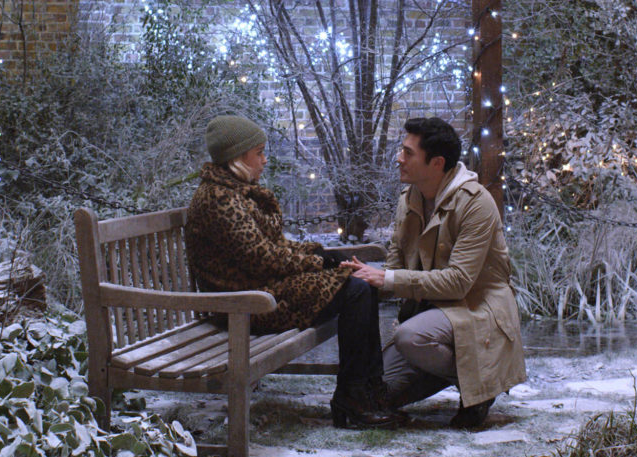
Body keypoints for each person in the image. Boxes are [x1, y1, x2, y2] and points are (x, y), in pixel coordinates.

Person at [184, 115, 403, 429]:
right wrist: (318, 261)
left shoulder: (236, 192)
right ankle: (354, 399)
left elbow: (271, 247)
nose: (264, 159)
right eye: (258, 152)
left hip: (264, 290)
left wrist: (316, 252)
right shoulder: (220, 200)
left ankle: (367, 393)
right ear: (237, 157)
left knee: (359, 284)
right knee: (355, 289)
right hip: (245, 304)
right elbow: (262, 257)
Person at [342, 117, 526, 429]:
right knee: (380, 394)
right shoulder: (409, 199)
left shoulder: (476, 203)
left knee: (410, 337)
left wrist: (387, 279)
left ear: (436, 162)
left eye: (407, 152)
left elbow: (458, 283)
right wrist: (359, 276)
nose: (399, 158)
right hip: (431, 312)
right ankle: (462, 376)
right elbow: (395, 267)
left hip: (475, 308)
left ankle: (481, 391)